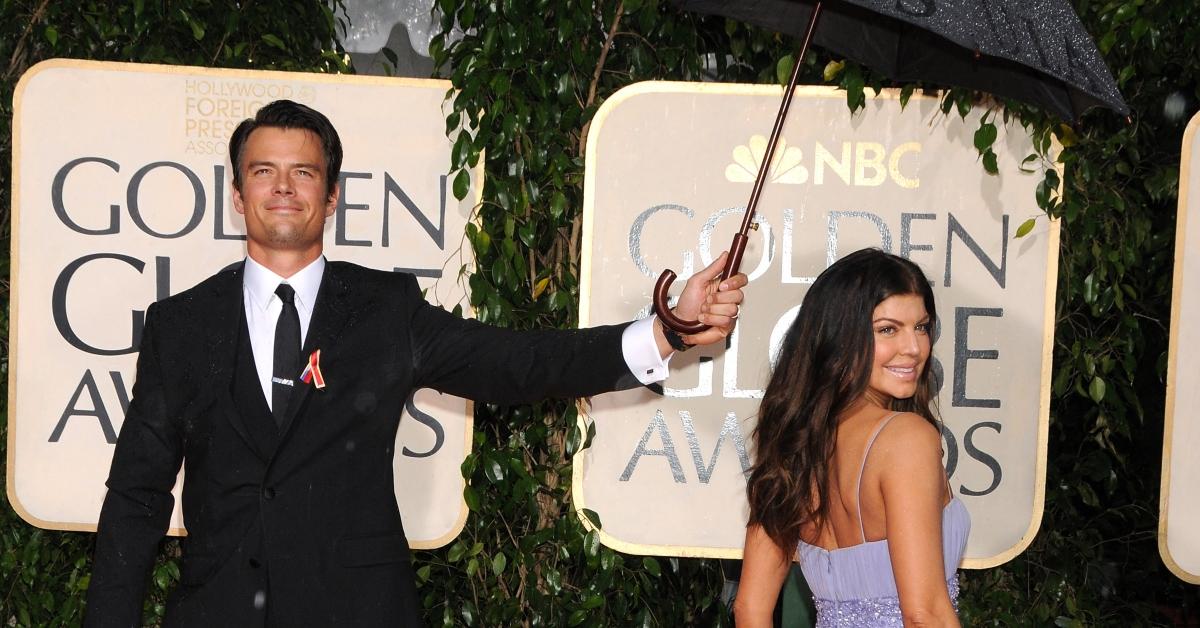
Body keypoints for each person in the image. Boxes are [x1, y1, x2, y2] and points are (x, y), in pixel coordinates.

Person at [83, 100, 746, 627]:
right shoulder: (181, 325)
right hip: (217, 614)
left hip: (358, 611)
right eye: (263, 171)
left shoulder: (384, 310)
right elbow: (137, 497)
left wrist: (665, 331)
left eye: (303, 172)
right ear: (237, 193)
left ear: (333, 195)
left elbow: (516, 363)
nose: (283, 187)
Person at [733, 248, 969, 627]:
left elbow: (750, 609)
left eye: (921, 327)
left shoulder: (796, 446)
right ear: (840, 336)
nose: (913, 348)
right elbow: (924, 614)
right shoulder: (906, 438)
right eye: (887, 329)